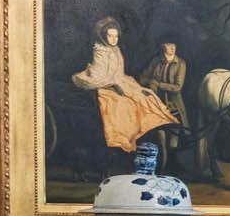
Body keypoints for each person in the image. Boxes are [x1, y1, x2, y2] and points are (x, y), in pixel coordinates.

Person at [69, 17, 180, 157]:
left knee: (146, 94)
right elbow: (98, 76)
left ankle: (152, 127)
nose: (114, 39)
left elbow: (119, 73)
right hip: (103, 86)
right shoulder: (100, 51)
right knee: (123, 104)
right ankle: (127, 138)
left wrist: (124, 85)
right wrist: (114, 85)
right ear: (104, 36)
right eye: (110, 36)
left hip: (120, 81)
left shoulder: (116, 50)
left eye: (116, 36)